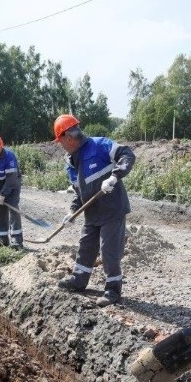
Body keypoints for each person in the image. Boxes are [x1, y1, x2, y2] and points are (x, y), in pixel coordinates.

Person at [53, 114, 135, 308]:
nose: (60, 145)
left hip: (112, 210)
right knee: (86, 246)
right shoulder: (71, 162)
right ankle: (79, 280)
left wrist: (115, 177)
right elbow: (78, 191)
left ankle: (113, 290)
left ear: (68, 137)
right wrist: (72, 211)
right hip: (92, 212)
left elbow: (127, 154)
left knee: (109, 251)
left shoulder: (99, 145)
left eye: (60, 141)